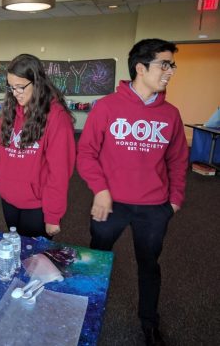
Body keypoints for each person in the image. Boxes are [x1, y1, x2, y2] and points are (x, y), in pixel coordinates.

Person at [77, 38, 188, 346]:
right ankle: (85, 311)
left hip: (154, 208)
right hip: (110, 204)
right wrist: (100, 190)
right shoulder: (107, 107)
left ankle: (149, 324)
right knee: (96, 259)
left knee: (149, 265)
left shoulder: (171, 114)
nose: (169, 71)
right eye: (164, 65)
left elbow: (178, 160)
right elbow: (86, 152)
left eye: (172, 65)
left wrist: (174, 201)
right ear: (141, 68)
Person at [0, 54, 76, 239]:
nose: (15, 92)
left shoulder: (56, 117)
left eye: (21, 87)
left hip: (38, 205)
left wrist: (53, 215)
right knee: (17, 250)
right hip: (9, 199)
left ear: (37, 83)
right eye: (11, 87)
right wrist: (1, 180)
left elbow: (60, 171)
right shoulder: (8, 111)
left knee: (35, 261)